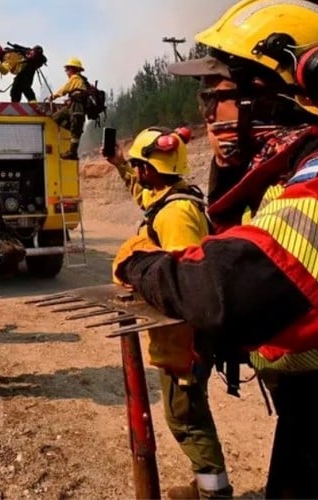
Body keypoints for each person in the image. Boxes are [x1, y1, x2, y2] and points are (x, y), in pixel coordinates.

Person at [112, 0, 318, 499]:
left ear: (267, 92)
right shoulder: (296, 169)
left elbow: (235, 288)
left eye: (216, 93)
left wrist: (140, 266)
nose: (207, 111)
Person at [107, 127, 233, 500]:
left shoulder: (176, 214)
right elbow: (145, 196)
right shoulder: (172, 196)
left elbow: (184, 282)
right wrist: (118, 164)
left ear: (149, 168)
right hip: (185, 334)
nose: (138, 174)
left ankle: (214, 491)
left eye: (138, 167)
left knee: (184, 415)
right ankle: (206, 484)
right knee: (188, 410)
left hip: (185, 337)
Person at [48, 57, 89, 160]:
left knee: (75, 130)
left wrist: (53, 96)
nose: (66, 72)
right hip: (73, 106)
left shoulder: (75, 78)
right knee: (56, 117)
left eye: (67, 69)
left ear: (72, 69)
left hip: (77, 107)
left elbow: (64, 89)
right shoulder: (80, 80)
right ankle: (74, 130)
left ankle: (72, 153)